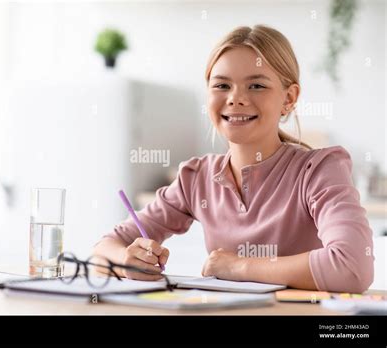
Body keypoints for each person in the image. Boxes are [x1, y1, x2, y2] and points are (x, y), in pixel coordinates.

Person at [92, 25, 374, 293]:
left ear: (289, 98)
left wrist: (240, 266)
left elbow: (352, 266)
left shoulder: (319, 170)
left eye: (256, 86)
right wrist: (126, 261)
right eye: (222, 85)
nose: (235, 98)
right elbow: (104, 248)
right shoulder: (196, 177)